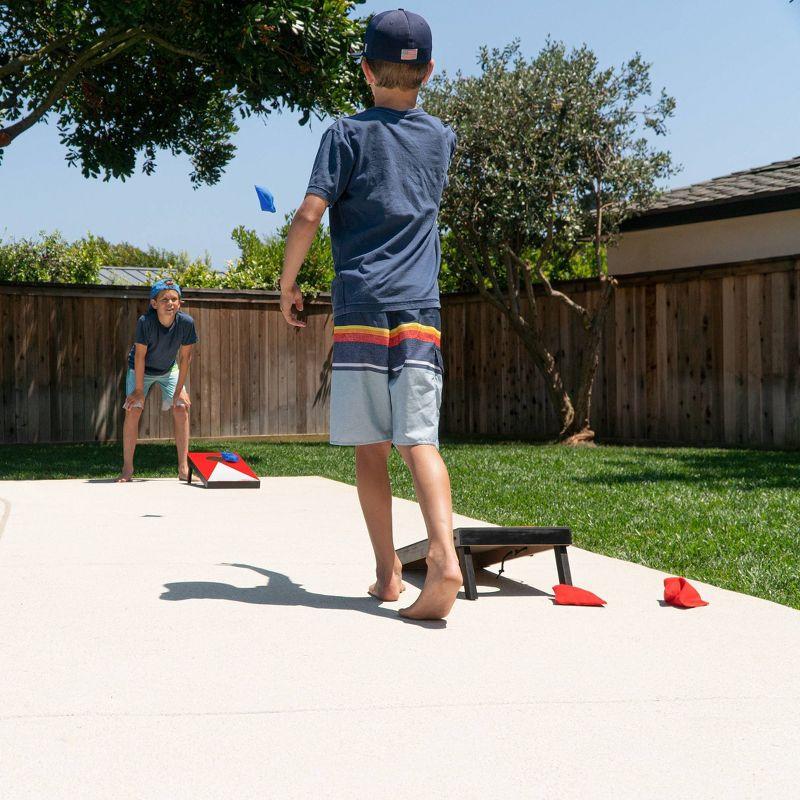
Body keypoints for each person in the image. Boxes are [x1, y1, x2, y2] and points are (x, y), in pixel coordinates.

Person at [278, 9, 461, 620]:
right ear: (428, 71)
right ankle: (442, 557)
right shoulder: (441, 138)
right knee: (421, 442)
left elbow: (308, 214)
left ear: (364, 70)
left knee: (370, 448)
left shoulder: (346, 134)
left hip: (361, 307)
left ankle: (388, 576)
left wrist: (287, 283)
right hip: (420, 309)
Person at [117, 278, 197, 482]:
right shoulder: (146, 322)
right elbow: (140, 356)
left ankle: (183, 468)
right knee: (133, 409)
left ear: (180, 303)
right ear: (154, 303)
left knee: (181, 407)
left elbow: (186, 358)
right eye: (164, 300)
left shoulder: (186, 323)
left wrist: (179, 390)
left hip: (169, 369)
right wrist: (137, 390)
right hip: (141, 369)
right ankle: (127, 469)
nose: (170, 303)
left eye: (174, 299)